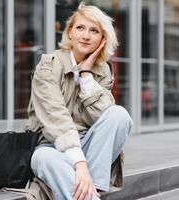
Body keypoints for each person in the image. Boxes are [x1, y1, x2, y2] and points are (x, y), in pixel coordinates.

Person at [26, 2, 133, 200]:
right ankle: (91, 193)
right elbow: (55, 117)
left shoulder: (102, 71)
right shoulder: (48, 65)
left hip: (90, 146)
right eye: (80, 28)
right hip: (53, 145)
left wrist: (85, 75)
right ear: (70, 33)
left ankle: (86, 187)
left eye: (94, 31)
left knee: (120, 115)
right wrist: (80, 165)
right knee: (42, 158)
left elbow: (105, 117)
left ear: (103, 39)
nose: (85, 35)